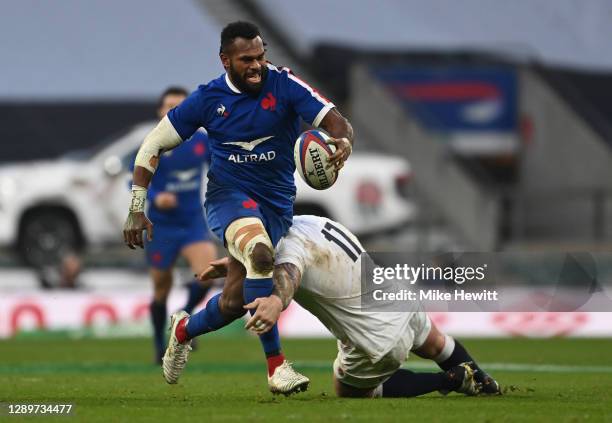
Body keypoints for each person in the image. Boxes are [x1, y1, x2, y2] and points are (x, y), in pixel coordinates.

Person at [123, 21, 353, 394]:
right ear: (225, 60)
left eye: (261, 56)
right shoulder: (207, 99)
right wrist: (137, 205)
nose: (257, 65)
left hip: (276, 206)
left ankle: (183, 330)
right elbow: (152, 145)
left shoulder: (285, 85)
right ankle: (277, 368)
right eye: (247, 59)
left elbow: (337, 122)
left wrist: (343, 144)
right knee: (260, 255)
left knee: (232, 301)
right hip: (228, 197)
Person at [197, 215, 502, 398]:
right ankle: (485, 381)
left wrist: (277, 301)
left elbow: (290, 272)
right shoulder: (313, 222)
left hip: (375, 333)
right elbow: (280, 256)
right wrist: (233, 264)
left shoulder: (290, 250)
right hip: (398, 296)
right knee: (436, 344)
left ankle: (450, 381)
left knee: (348, 389)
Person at [140, 86, 217, 364]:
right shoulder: (153, 143)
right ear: (160, 111)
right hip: (161, 226)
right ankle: (159, 346)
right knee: (161, 287)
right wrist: (155, 196)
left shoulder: (200, 141)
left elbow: (221, 167)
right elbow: (133, 179)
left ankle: (181, 320)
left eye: (179, 106)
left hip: (191, 220)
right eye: (169, 106)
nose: (173, 111)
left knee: (207, 275)